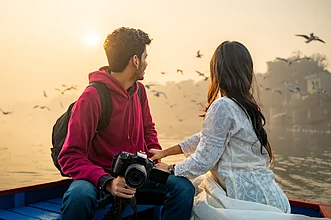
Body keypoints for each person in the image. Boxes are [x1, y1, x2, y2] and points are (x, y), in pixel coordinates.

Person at [58, 27, 195, 220]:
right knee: (78, 197)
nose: (146, 64)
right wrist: (107, 181)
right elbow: (70, 155)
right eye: (145, 57)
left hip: (138, 175)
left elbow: (148, 130)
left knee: (183, 189)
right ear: (135, 60)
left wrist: (156, 155)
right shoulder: (92, 98)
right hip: (99, 179)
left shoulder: (139, 91)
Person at [150, 41, 290, 214]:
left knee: (187, 195)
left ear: (217, 71)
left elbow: (203, 161)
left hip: (241, 200)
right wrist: (164, 153)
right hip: (270, 197)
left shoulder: (222, 106)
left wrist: (170, 169)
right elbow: (205, 137)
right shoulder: (245, 106)